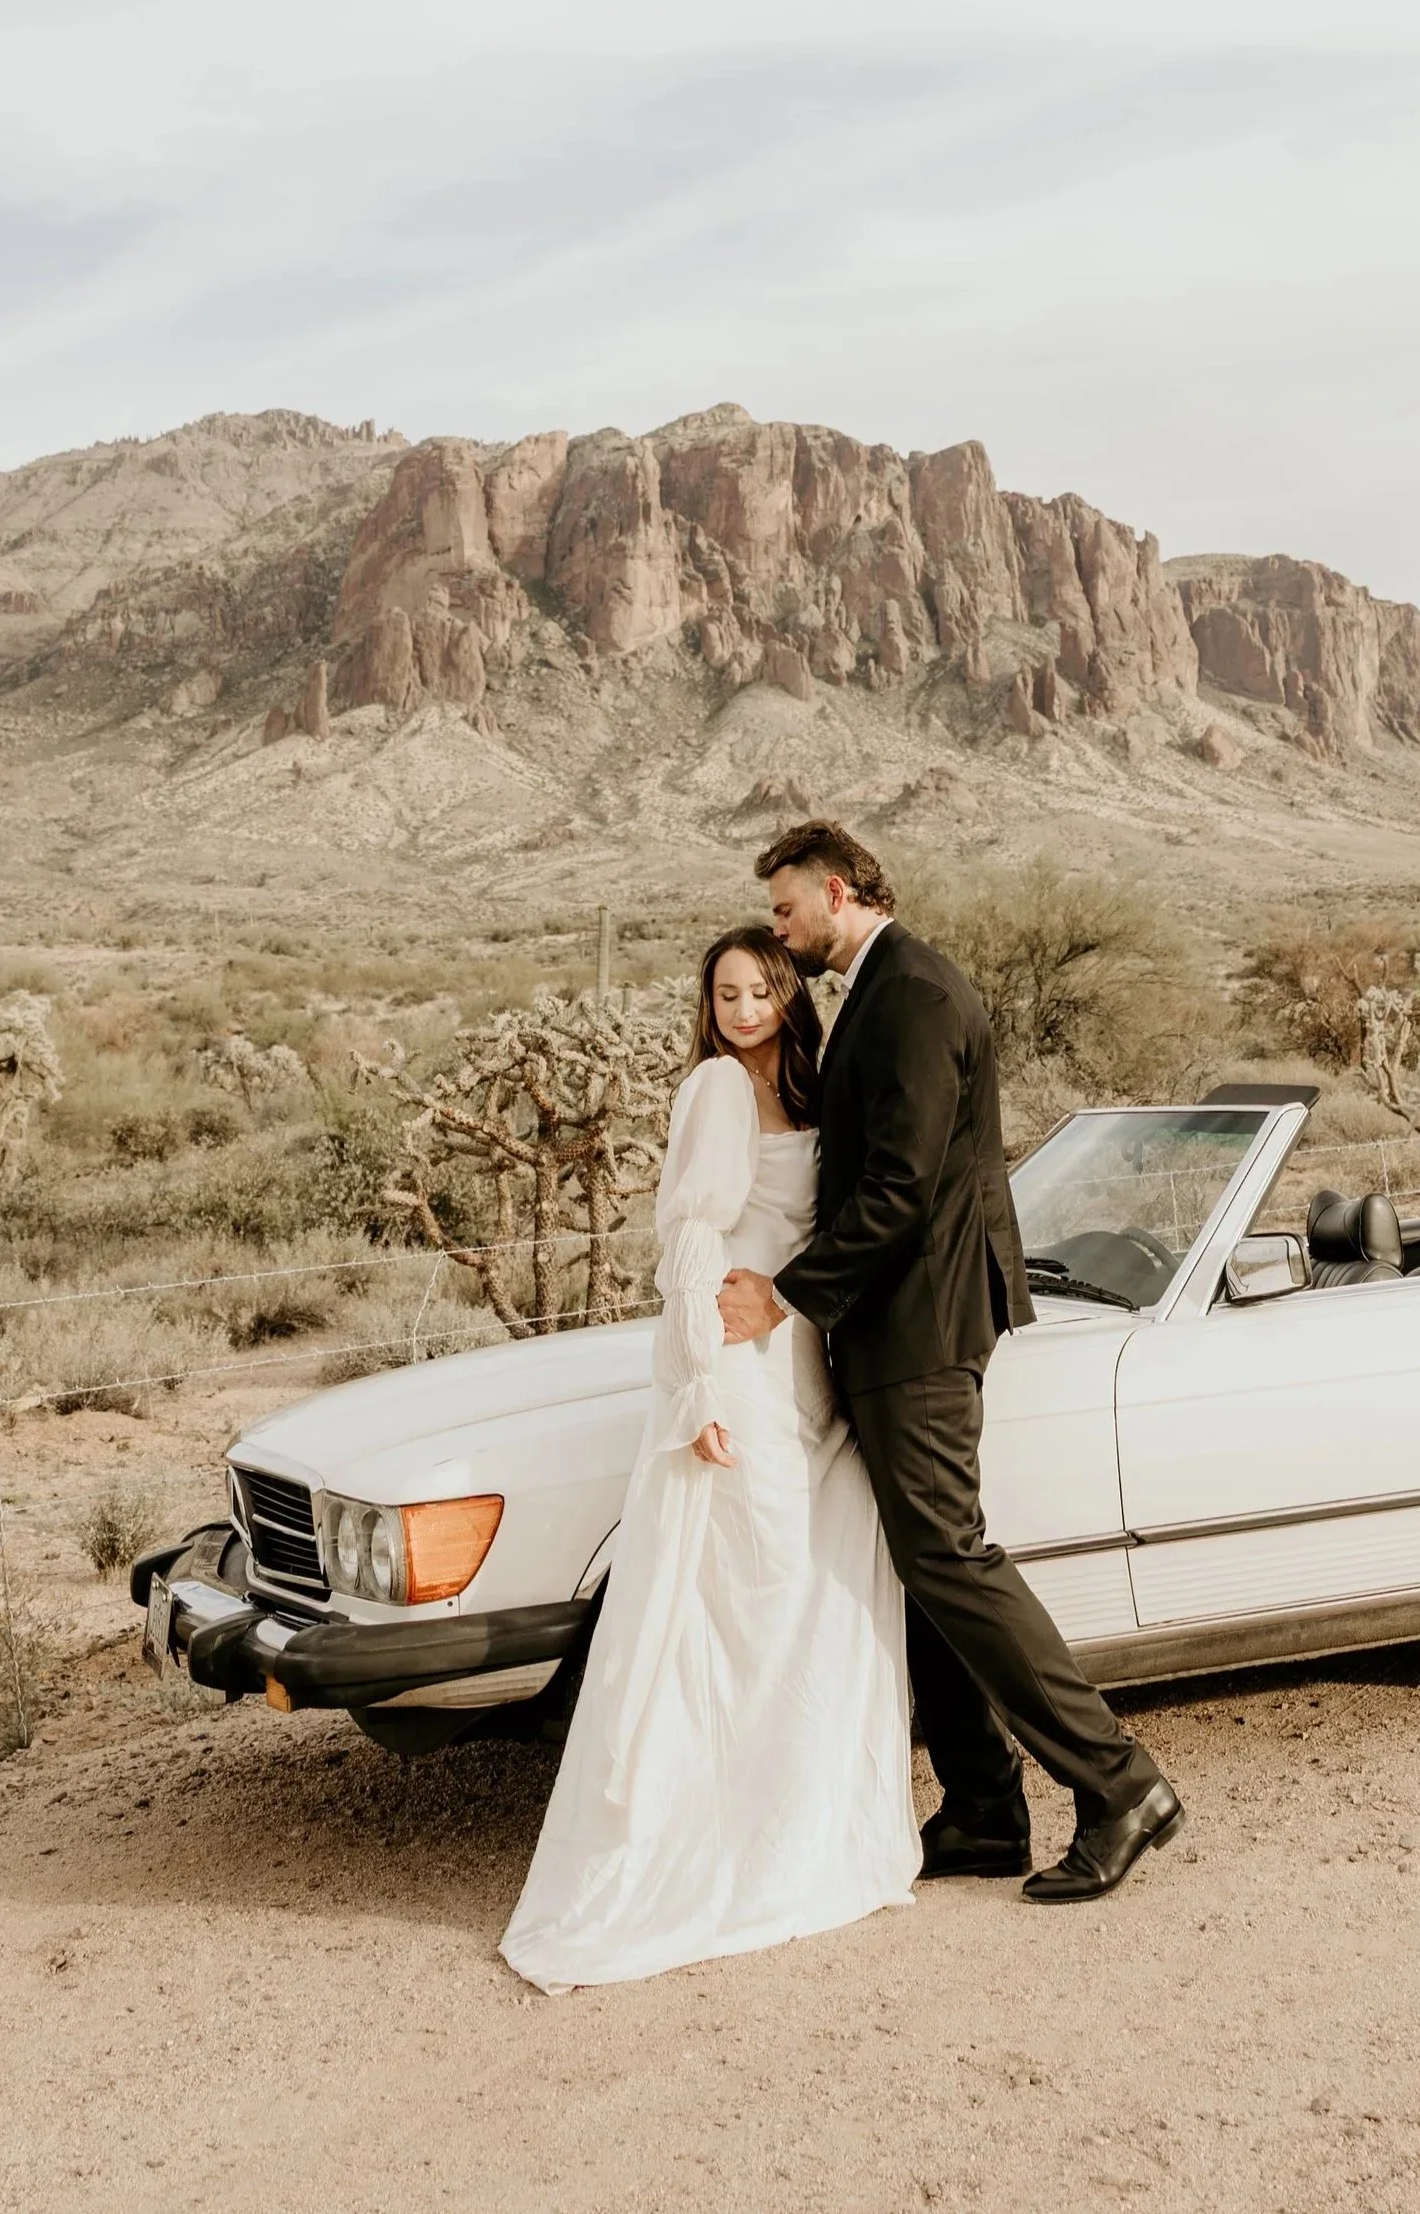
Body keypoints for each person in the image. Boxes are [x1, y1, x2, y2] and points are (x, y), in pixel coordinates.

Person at [719, 820, 1182, 1903]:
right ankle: (981, 1805)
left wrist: (787, 1295)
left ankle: (1120, 1785)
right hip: (889, 1321)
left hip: (921, 1322)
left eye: (785, 911)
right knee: (921, 1562)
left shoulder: (915, 994)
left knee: (950, 1556)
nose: (778, 934)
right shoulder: (877, 990)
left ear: (835, 892)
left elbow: (902, 1186)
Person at [500, 925, 917, 1990]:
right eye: (723, 992)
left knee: (806, 1590)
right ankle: (717, 1836)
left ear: (786, 993)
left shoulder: (811, 1090)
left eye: (757, 988)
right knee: (740, 1596)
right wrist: (691, 1385)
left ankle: (796, 1819)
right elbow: (688, 1241)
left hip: (801, 1358)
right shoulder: (717, 1092)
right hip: (734, 1365)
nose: (739, 1008)